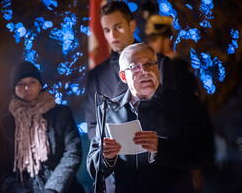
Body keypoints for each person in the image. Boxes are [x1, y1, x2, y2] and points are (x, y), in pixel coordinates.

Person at [87, 43, 214, 192]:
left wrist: (160, 147)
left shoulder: (186, 105)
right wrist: (106, 157)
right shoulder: (108, 110)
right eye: (135, 67)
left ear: (157, 68)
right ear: (123, 76)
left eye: (149, 64)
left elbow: (202, 156)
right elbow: (93, 169)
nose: (145, 71)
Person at [0, 61, 84, 193]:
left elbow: (73, 152)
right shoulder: (6, 123)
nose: (27, 88)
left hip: (63, 189)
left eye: (32, 82)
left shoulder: (61, 113)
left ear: (40, 84)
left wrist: (53, 188)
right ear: (14, 89)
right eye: (21, 84)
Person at [85, 0, 138, 141]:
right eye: (107, 30)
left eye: (118, 27)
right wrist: (104, 152)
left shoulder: (159, 63)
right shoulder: (95, 76)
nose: (112, 35)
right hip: (115, 156)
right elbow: (93, 124)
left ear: (132, 25)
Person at [143, 1, 198, 95]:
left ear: (167, 40)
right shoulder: (158, 65)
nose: (150, 44)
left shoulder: (178, 66)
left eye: (154, 40)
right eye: (149, 40)